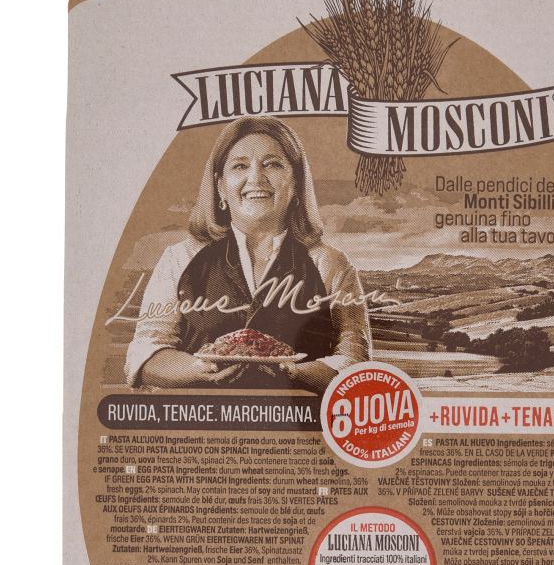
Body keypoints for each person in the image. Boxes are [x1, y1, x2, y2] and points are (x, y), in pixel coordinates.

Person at [125, 117, 370, 394]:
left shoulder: (330, 264)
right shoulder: (179, 259)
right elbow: (145, 353)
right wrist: (200, 369)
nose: (256, 178)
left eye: (272, 164)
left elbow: (354, 361)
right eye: (240, 166)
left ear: (297, 182)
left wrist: (294, 372)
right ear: (220, 186)